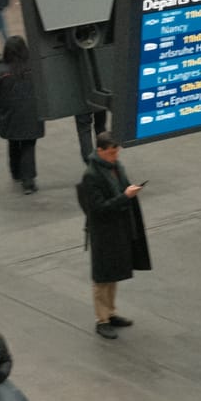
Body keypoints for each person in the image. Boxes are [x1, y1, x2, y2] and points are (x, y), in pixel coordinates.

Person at [78, 136, 147, 339]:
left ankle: (110, 312)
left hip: (118, 227)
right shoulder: (91, 175)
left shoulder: (116, 166)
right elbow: (98, 208)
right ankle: (102, 320)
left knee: (113, 272)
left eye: (116, 152)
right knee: (102, 277)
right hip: (103, 232)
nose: (115, 155)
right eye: (111, 152)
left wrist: (128, 193)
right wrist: (126, 196)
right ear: (100, 150)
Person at [0, 35, 44, 194]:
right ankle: (28, 181)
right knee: (28, 144)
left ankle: (16, 172)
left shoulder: (1, 71)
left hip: (10, 114)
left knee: (13, 141)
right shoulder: (34, 67)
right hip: (31, 112)